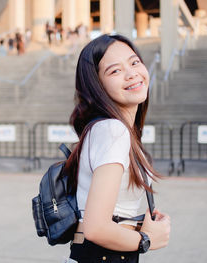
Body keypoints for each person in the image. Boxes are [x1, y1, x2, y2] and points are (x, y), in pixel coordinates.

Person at [64, 34, 170, 262]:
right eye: (115, 71)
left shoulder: (113, 130)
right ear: (97, 86)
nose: (132, 73)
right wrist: (146, 240)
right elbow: (96, 228)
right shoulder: (113, 130)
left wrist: (136, 222)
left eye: (134, 62)